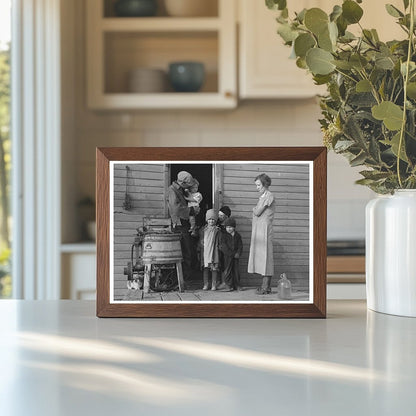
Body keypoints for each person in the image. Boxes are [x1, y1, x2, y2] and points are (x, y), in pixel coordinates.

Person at [247, 173, 275, 294]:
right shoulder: (263, 197)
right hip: (259, 230)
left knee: (266, 257)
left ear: (265, 185)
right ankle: (265, 286)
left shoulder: (269, 196)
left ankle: (266, 287)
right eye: (256, 185)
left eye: (258, 185)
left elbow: (258, 211)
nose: (257, 187)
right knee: (261, 257)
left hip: (264, 230)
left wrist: (253, 209)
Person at [167, 171, 195, 281]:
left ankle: (183, 279)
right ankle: (180, 280)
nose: (189, 186)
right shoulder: (173, 190)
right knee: (184, 252)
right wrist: (191, 210)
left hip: (182, 223)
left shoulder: (179, 190)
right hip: (179, 225)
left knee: (187, 251)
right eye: (188, 184)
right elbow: (175, 209)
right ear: (183, 183)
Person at [198, 209, 221, 291]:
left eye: (213, 219)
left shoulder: (217, 230)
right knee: (206, 268)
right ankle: (206, 284)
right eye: (209, 219)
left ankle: (214, 285)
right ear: (207, 220)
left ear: (215, 220)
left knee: (214, 268)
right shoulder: (203, 230)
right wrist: (200, 247)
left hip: (214, 251)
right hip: (205, 252)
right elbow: (201, 240)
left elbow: (219, 241)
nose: (211, 221)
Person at [219, 216, 243, 291]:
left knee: (236, 271)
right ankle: (229, 285)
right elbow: (223, 246)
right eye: (227, 227)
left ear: (234, 227)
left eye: (230, 227)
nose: (228, 229)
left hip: (236, 257)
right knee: (227, 271)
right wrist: (232, 254)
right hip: (227, 257)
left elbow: (240, 245)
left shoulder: (237, 236)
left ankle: (237, 285)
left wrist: (238, 253)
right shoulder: (224, 236)